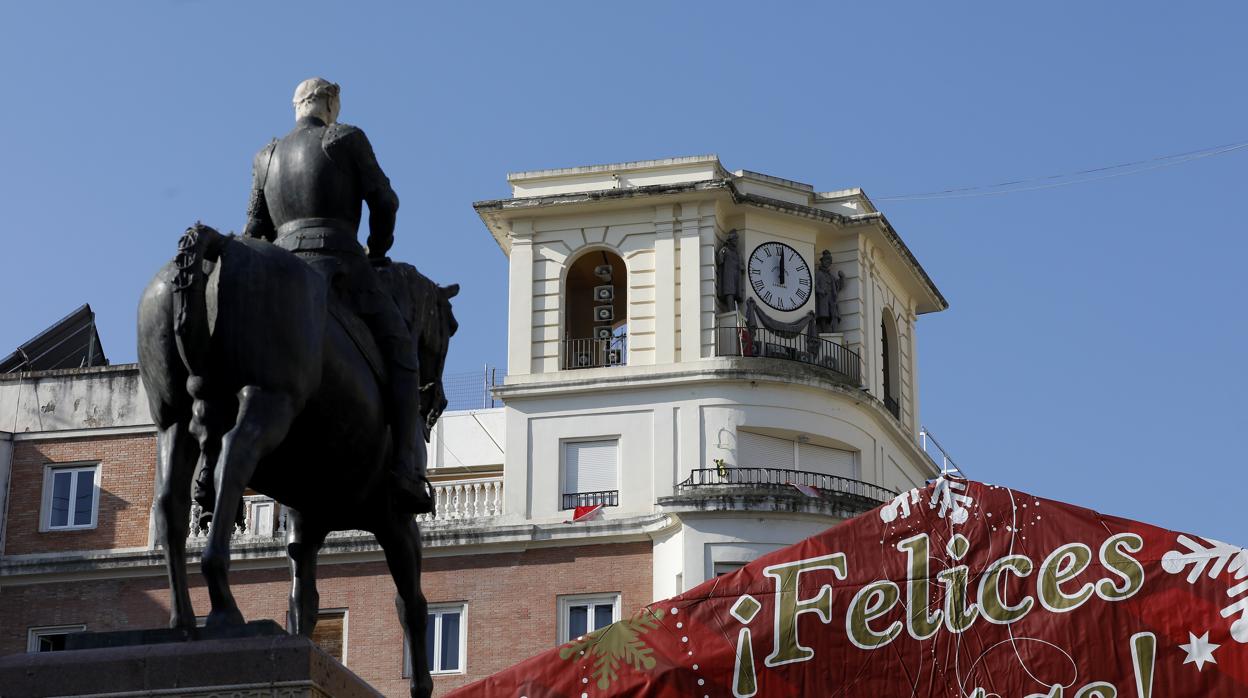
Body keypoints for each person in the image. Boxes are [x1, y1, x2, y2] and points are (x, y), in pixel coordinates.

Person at [243, 77, 429, 513]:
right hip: (342, 267)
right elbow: (385, 201)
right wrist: (378, 250)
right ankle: (406, 466)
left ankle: (207, 466)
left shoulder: (265, 155)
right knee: (403, 354)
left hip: (282, 273)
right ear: (332, 105)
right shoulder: (345, 138)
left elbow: (254, 231)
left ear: (296, 106)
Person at [815, 250, 845, 333]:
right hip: (823, 298)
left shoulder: (831, 276)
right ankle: (823, 331)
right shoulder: (818, 274)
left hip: (831, 298)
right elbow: (815, 285)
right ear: (822, 261)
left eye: (829, 261)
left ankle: (833, 331)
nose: (827, 262)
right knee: (823, 315)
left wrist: (842, 278)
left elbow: (838, 286)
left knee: (834, 314)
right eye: (825, 260)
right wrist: (821, 291)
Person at [716, 230, 743, 310]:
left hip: (736, 275)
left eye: (736, 240)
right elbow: (720, 260)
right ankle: (731, 309)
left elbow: (742, 266)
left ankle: (734, 309)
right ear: (730, 241)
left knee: (735, 292)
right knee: (729, 292)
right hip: (728, 274)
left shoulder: (737, 253)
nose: (736, 242)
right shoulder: (725, 250)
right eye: (735, 240)